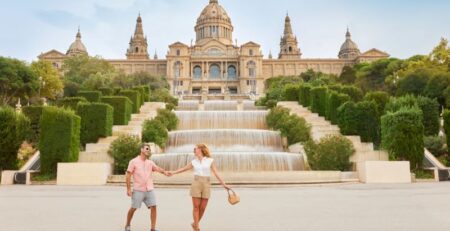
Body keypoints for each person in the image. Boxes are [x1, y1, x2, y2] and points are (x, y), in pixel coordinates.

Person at [169, 144, 231, 231]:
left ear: (201, 150)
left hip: (206, 184)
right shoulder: (194, 161)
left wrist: (224, 184)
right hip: (196, 183)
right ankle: (197, 228)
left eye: (196, 149)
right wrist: (173, 172)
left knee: (203, 207)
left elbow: (216, 173)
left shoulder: (210, 160)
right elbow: (183, 169)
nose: (194, 150)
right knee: (196, 207)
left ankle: (195, 223)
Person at [125, 143, 169, 231]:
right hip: (138, 190)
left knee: (154, 206)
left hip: (149, 189)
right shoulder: (133, 161)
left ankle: (153, 228)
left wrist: (165, 172)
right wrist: (129, 189)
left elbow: (157, 168)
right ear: (141, 149)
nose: (148, 151)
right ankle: (128, 224)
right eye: (147, 149)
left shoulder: (150, 162)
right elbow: (128, 175)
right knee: (133, 208)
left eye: (149, 149)